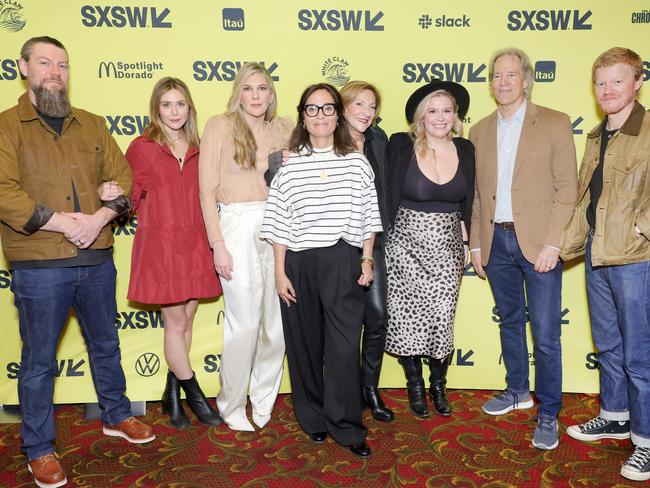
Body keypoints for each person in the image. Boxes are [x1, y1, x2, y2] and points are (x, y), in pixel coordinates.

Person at [0, 36, 154, 488]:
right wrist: (67, 224)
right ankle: (39, 448)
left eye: (62, 65)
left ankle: (116, 414)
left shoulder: (93, 124)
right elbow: (5, 194)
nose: (55, 72)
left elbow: (124, 179)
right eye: (44, 63)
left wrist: (104, 213)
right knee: (39, 362)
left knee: (106, 343)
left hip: (98, 257)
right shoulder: (7, 127)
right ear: (23, 67)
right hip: (40, 263)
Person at [260, 83, 382, 458]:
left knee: (345, 348)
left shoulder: (356, 161)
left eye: (328, 108)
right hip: (298, 261)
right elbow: (279, 221)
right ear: (303, 116)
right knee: (305, 345)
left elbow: (369, 215)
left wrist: (366, 259)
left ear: (337, 114)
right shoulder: (289, 162)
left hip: (344, 260)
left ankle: (346, 426)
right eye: (312, 109)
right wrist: (280, 273)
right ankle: (313, 418)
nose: (321, 116)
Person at [469, 48, 577, 450]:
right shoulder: (478, 130)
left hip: (540, 244)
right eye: (496, 75)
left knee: (546, 334)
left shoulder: (554, 122)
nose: (503, 82)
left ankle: (548, 412)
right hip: (496, 242)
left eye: (511, 75)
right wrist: (477, 244)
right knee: (509, 321)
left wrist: (553, 242)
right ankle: (517, 390)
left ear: (526, 79)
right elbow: (479, 194)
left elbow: (568, 190)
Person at [561, 47, 650, 482]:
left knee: (640, 354)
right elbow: (586, 199)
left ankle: (646, 440)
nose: (607, 90)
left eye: (617, 81)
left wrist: (642, 228)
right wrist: (566, 245)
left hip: (636, 257)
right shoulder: (597, 135)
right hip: (597, 253)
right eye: (601, 82)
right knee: (609, 343)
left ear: (637, 82)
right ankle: (615, 416)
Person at [124, 77, 223, 429]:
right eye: (167, 104)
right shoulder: (141, 147)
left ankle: (172, 396)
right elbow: (129, 195)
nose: (174, 111)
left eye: (180, 104)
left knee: (187, 323)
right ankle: (195, 395)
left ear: (189, 108)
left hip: (197, 242)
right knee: (175, 323)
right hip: (161, 246)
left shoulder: (202, 146)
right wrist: (113, 198)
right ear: (156, 108)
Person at [199, 62, 293, 432]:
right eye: (249, 88)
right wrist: (217, 244)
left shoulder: (283, 129)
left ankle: (264, 395)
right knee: (244, 322)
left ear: (271, 93)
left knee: (277, 320)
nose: (256, 96)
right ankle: (231, 401)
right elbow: (206, 191)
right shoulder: (219, 126)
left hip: (279, 226)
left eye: (263, 88)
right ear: (238, 92)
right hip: (235, 224)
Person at [384, 80, 475, 419]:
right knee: (407, 319)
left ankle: (439, 383)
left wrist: (467, 242)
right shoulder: (399, 145)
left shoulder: (466, 150)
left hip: (448, 245)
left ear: (456, 116)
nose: (440, 117)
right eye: (432, 111)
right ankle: (415, 385)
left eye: (447, 110)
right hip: (403, 245)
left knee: (441, 317)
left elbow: (468, 201)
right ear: (421, 117)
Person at [339, 81, 393, 422]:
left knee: (377, 317)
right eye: (358, 104)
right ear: (343, 107)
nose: (366, 112)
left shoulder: (380, 141)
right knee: (341, 324)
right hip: (335, 246)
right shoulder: (325, 141)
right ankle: (345, 390)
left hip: (375, 243)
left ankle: (369, 387)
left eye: (371, 106)